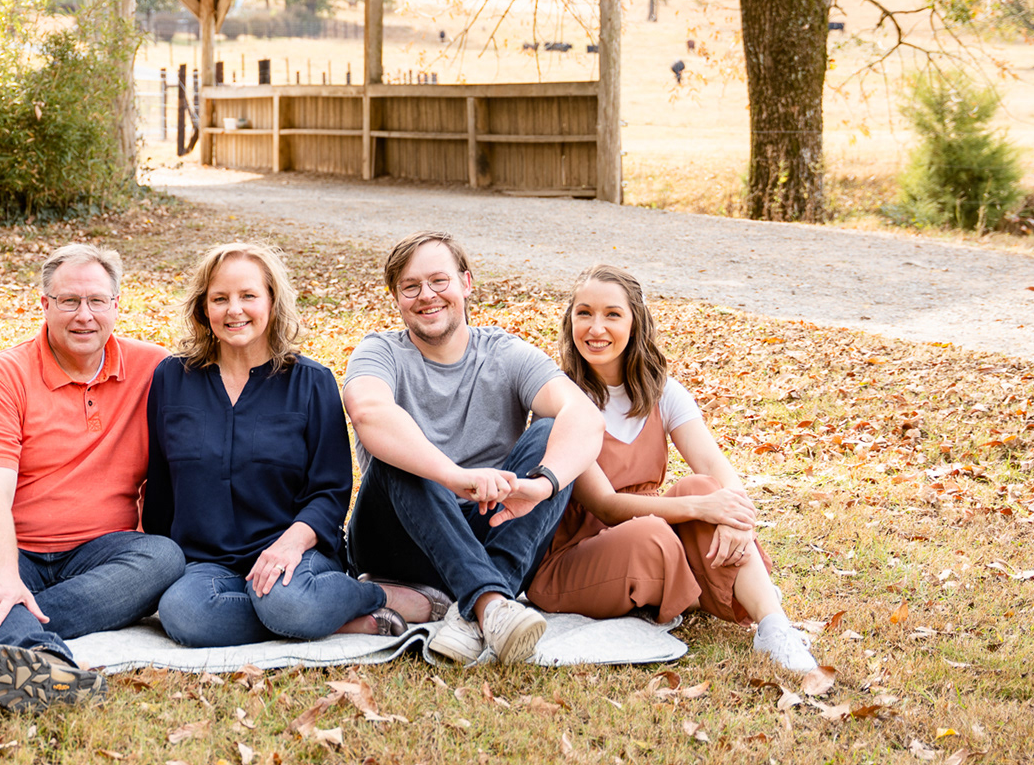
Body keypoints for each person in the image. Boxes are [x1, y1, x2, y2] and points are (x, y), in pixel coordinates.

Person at [524, 265, 818, 673]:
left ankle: (774, 628)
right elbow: (606, 506)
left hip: (652, 528)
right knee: (661, 528)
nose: (596, 327)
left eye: (612, 314)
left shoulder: (660, 389)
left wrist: (737, 516)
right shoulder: (559, 397)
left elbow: (715, 464)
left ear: (635, 323)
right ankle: (713, 585)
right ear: (569, 320)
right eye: (584, 313)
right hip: (574, 555)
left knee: (703, 484)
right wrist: (703, 508)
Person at [0, 243, 184, 712]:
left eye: (96, 301)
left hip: (95, 551)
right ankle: (46, 661)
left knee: (164, 557)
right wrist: (4, 573)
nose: (83, 315)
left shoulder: (154, 369)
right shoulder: (5, 375)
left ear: (117, 305)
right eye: (69, 301)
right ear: (45, 305)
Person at [343, 231, 605, 667]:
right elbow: (369, 412)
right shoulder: (380, 351)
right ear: (396, 297)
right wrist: (452, 476)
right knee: (401, 455)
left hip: (487, 525)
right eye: (411, 286)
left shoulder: (504, 352)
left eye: (439, 281)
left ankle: (477, 612)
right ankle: (490, 605)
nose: (427, 296)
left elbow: (583, 415)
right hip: (396, 542)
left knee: (550, 433)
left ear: (466, 283)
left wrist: (543, 486)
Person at [146, 243, 420, 647]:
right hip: (206, 562)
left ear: (272, 302)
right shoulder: (172, 378)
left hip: (296, 550)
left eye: (248, 296)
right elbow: (161, 484)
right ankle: (329, 619)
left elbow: (330, 491)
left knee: (284, 598)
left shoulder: (311, 382)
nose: (233, 310)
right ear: (204, 308)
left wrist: (290, 544)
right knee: (184, 615)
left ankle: (373, 595)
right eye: (220, 298)